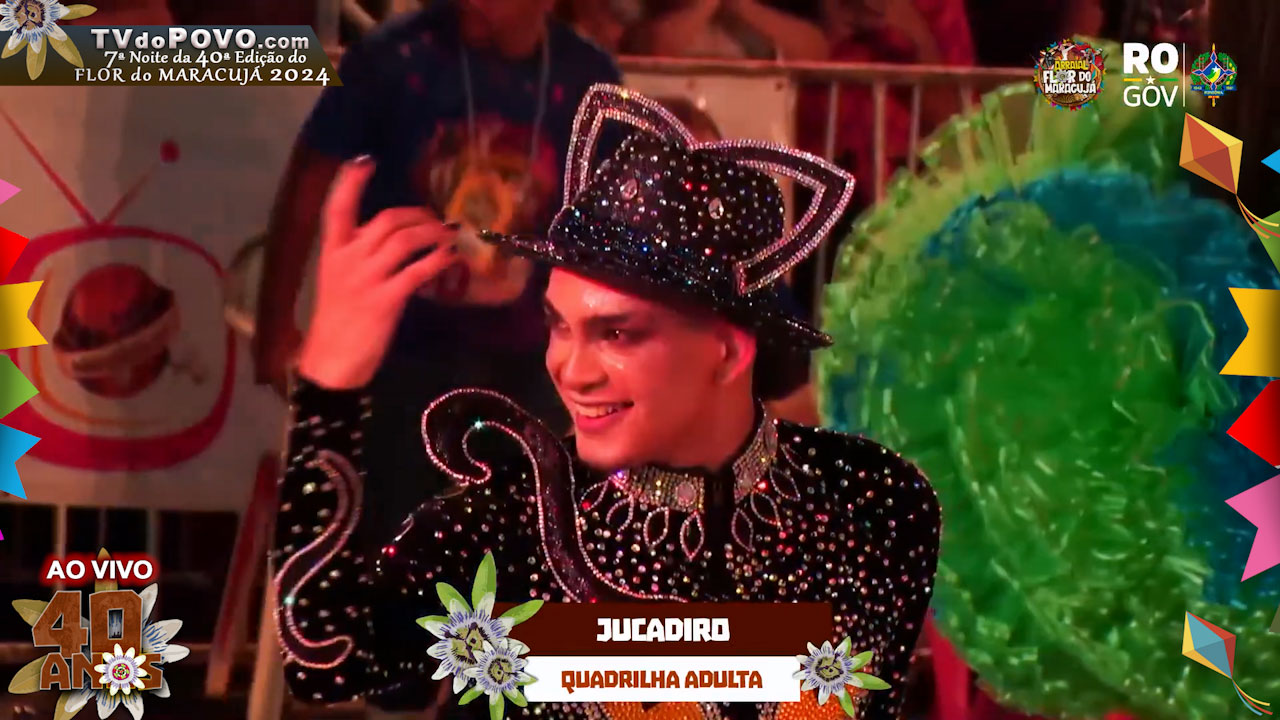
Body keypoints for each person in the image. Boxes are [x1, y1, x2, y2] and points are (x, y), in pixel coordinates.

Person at [272, 85, 940, 718]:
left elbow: (844, 691)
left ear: (727, 352)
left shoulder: (873, 503)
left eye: (616, 333)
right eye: (558, 325)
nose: (571, 370)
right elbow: (325, 657)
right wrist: (329, 391)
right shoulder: (507, 522)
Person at [254, 0, 621, 551]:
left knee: (524, 546)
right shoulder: (394, 59)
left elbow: (613, 225)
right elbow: (308, 178)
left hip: (535, 362)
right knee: (394, 542)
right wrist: (275, 325)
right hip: (404, 359)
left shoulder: (587, 78)